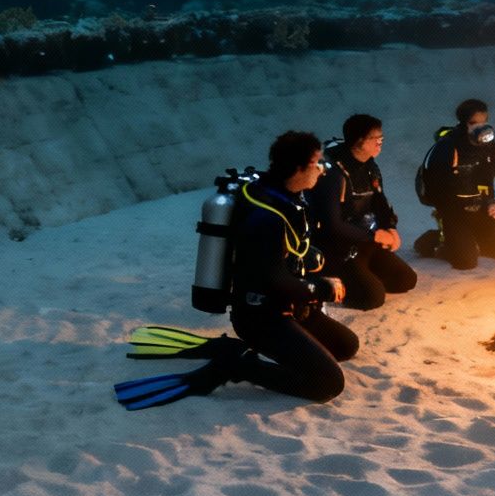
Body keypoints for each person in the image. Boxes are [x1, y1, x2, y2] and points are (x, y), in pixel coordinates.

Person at [113, 132, 358, 408]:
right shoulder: (266, 217)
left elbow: (290, 253)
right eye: (317, 163)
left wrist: (311, 265)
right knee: (328, 384)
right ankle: (236, 366)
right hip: (263, 319)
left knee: (346, 346)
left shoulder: (284, 195)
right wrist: (320, 288)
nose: (323, 169)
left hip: (293, 306)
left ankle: (229, 348)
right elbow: (271, 279)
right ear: (298, 168)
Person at [312, 113, 417, 310]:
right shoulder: (334, 174)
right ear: (359, 141)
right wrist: (375, 235)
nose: (380, 143)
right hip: (340, 249)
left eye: (381, 138)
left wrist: (390, 228)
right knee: (372, 298)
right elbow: (332, 224)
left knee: (405, 280)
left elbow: (379, 201)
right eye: (376, 139)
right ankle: (332, 277)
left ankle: (362, 274)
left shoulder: (370, 166)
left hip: (365, 243)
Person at [417, 98, 495, 270]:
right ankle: (435, 240)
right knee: (466, 261)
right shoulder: (447, 147)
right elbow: (433, 190)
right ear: (463, 123)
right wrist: (450, 212)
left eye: (484, 122)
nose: (480, 127)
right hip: (454, 212)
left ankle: (467, 238)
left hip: (481, 208)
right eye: (474, 123)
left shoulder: (491, 147)